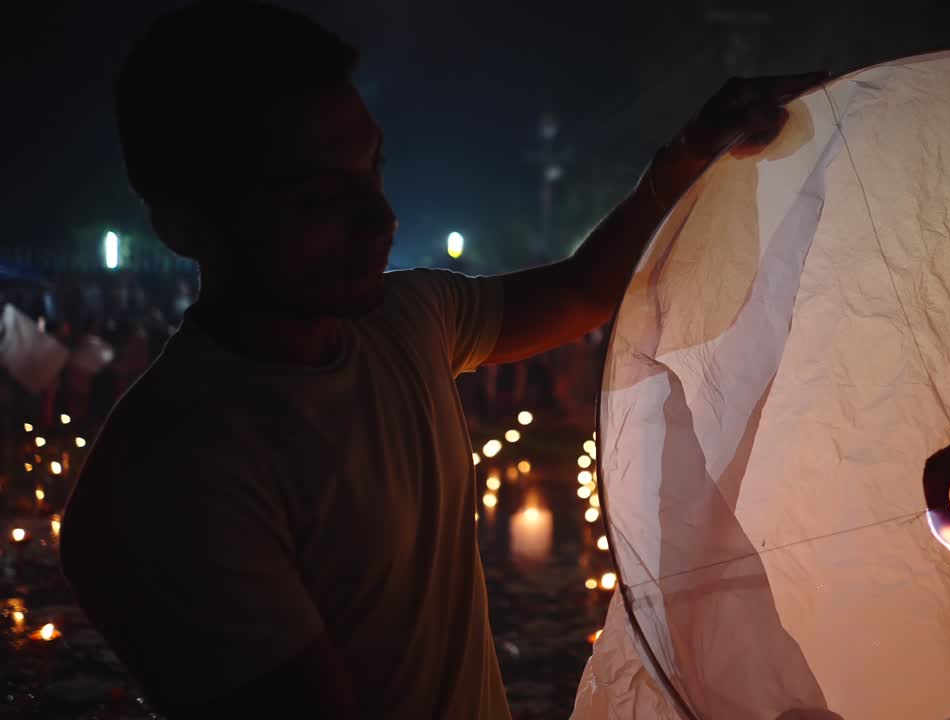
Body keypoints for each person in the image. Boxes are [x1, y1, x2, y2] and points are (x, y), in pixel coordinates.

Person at [58, 2, 825, 718]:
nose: (379, 217)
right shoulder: (169, 477)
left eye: (373, 170)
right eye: (315, 200)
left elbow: (587, 287)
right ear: (184, 225)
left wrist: (694, 153)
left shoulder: (408, 321)